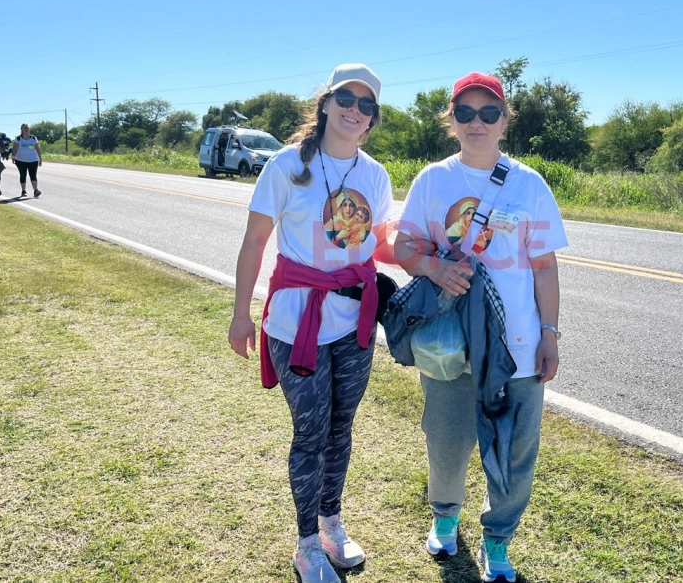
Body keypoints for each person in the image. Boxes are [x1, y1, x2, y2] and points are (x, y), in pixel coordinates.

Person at [227, 64, 398, 583]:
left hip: (354, 323)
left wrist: (434, 260)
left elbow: (381, 242)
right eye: (347, 98)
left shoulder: (374, 174)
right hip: (294, 323)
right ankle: (306, 544)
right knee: (310, 433)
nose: (355, 110)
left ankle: (330, 523)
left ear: (372, 119)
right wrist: (240, 315)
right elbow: (255, 242)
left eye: (367, 104)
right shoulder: (285, 166)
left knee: (341, 429)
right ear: (325, 103)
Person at [393, 72, 567, 583]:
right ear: (451, 120)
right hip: (450, 343)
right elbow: (404, 248)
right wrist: (431, 267)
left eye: (488, 113)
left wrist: (551, 334)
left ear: (504, 121)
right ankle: (445, 516)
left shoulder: (530, 184)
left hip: (517, 347)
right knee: (446, 441)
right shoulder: (433, 179)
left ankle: (498, 539)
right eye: (465, 113)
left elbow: (545, 267)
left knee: (515, 452)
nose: (477, 122)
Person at [11, 123, 43, 198]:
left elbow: (37, 148)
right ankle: (23, 190)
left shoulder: (33, 138)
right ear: (21, 129)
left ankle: (35, 190)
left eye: (27, 128)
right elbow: (14, 148)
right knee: (23, 175)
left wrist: (40, 159)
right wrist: (13, 157)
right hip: (21, 160)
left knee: (33, 175)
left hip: (33, 160)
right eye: (24, 128)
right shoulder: (18, 138)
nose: (26, 129)